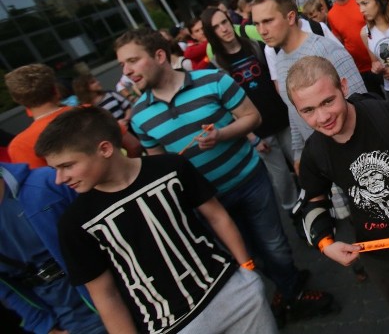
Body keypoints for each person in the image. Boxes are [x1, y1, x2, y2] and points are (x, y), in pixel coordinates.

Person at [114, 27, 335, 323]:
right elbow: (160, 165)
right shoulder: (140, 115)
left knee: (274, 245)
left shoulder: (212, 80)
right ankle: (288, 287)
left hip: (247, 180)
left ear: (159, 55)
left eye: (132, 61)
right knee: (244, 253)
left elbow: (252, 117)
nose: (127, 71)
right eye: (122, 65)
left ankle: (290, 287)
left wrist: (221, 134)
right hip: (205, 201)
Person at [35, 107, 278, 334]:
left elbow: (216, 215)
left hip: (233, 293)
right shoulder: (74, 223)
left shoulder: (170, 166)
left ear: (105, 149)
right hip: (170, 326)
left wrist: (247, 272)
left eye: (67, 166)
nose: (59, 179)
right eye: (55, 169)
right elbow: (105, 295)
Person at [287, 56, 389, 334]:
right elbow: (313, 199)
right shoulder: (316, 152)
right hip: (376, 248)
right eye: (308, 110)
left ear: (343, 86)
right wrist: (325, 243)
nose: (322, 117)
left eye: (328, 101)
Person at [251, 0, 366, 173]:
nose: (262, 31)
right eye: (256, 24)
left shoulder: (325, 49)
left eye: (268, 21)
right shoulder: (279, 60)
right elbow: (293, 110)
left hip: (356, 158)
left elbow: (362, 103)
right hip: (324, 160)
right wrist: (298, 153)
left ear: (290, 18)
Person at [200, 7, 299, 212]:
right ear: (211, 34)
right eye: (216, 27)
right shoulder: (215, 65)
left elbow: (276, 75)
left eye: (224, 22)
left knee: (303, 164)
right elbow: (224, 108)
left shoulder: (254, 46)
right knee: (281, 178)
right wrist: (250, 136)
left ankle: (317, 205)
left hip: (283, 118)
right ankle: (295, 212)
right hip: (259, 131)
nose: (223, 29)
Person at [0, 162, 106, 334]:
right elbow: (7, 290)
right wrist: (44, 327)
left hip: (118, 291)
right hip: (72, 320)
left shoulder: (46, 183)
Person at [324, 0, 384, 95]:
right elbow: (339, 44)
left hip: (382, 61)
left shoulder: (363, 1)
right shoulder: (331, 15)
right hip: (360, 71)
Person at [5, 64, 70, 169]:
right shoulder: (91, 112)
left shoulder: (21, 145)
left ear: (18, 100)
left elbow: (41, 183)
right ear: (56, 90)